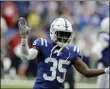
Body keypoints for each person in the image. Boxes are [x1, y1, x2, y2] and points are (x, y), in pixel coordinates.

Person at [18, 17, 109, 89]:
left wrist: (106, 70)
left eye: (67, 35)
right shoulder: (43, 44)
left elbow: (86, 71)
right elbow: (25, 55)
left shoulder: (71, 51)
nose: (64, 37)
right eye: (61, 34)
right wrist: (24, 38)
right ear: (53, 32)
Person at [91, 17, 109, 89]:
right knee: (101, 84)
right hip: (104, 64)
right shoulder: (105, 36)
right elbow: (96, 50)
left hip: (106, 64)